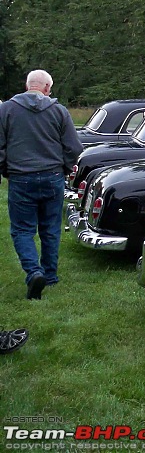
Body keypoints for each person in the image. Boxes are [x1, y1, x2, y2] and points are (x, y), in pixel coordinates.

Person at [0, 70, 82, 300]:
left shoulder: (6, 110)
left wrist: (5, 170)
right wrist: (64, 168)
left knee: (22, 229)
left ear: (27, 86)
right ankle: (50, 274)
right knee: (50, 228)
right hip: (52, 176)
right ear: (47, 88)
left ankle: (34, 271)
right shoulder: (59, 111)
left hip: (20, 177)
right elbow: (74, 148)